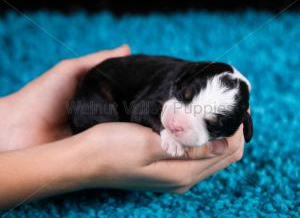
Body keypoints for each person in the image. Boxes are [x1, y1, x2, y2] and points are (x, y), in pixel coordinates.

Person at [0, 45, 245, 210]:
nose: (178, 122)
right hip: (101, 94)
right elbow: (141, 108)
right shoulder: (179, 78)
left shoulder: (191, 79)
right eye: (182, 97)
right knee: (104, 110)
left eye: (209, 124)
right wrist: (87, 158)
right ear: (181, 82)